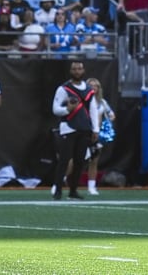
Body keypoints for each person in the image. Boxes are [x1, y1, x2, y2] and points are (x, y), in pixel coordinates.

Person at [51, 61, 100, 200]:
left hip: (84, 128)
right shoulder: (64, 89)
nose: (77, 71)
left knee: (80, 161)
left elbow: (93, 110)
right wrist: (67, 109)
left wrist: (95, 129)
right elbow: (55, 109)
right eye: (74, 69)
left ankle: (73, 190)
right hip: (68, 128)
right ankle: (58, 189)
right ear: (70, 71)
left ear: (83, 70)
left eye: (79, 69)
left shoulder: (89, 90)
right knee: (64, 160)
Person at [85, 77, 115, 196]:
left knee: (94, 160)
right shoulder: (83, 101)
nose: (93, 88)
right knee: (76, 160)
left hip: (97, 134)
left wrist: (107, 121)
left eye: (96, 86)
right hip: (84, 133)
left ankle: (91, 186)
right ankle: (63, 179)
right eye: (91, 86)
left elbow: (111, 114)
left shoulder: (102, 102)